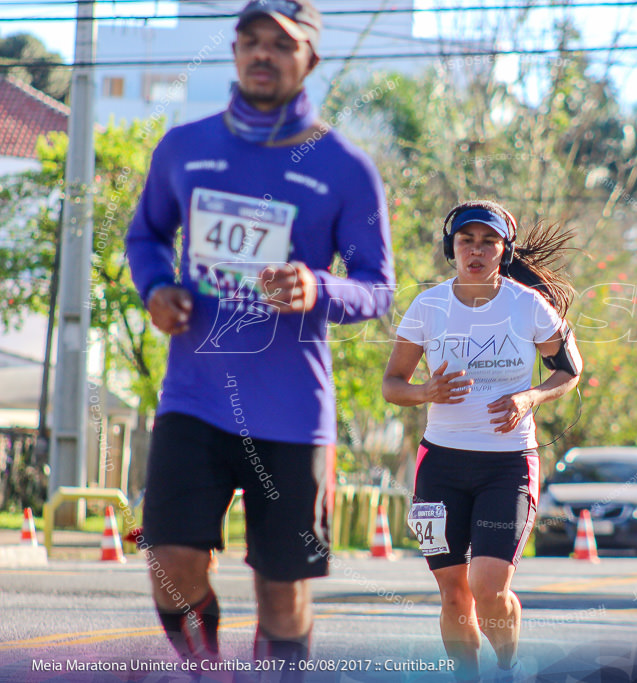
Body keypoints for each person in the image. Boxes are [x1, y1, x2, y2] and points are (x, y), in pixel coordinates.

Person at [125, 0, 394, 674]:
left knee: (281, 591)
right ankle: (207, 667)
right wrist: (156, 287)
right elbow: (146, 234)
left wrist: (319, 288)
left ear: (311, 57)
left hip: (292, 412)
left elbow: (378, 286)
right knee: (171, 563)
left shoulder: (345, 166)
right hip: (194, 396)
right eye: (249, 41)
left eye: (280, 42)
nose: (261, 54)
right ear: (235, 52)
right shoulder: (185, 147)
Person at [382, 200, 582, 681]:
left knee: (487, 587)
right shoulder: (428, 305)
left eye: (488, 241)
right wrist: (424, 391)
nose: (476, 250)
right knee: (454, 593)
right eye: (466, 240)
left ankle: (507, 665)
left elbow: (570, 371)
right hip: (441, 464)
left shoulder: (527, 304)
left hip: (507, 464)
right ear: (451, 247)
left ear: (503, 249)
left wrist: (529, 398)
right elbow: (393, 384)